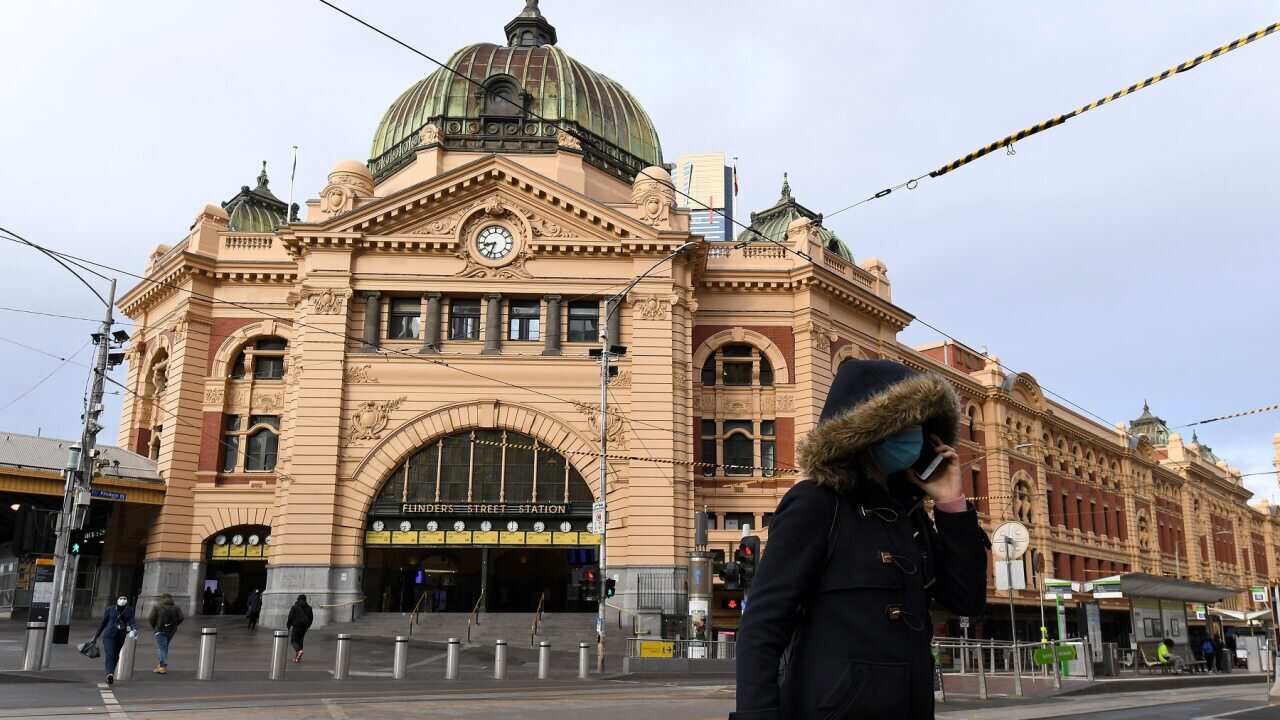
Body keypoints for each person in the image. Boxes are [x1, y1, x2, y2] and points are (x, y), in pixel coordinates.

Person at [733, 360, 988, 719]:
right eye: (903, 424)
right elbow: (763, 624)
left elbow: (966, 599)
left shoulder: (911, 514)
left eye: (919, 426)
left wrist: (950, 503)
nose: (913, 435)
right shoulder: (816, 503)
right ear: (868, 433)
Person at [95, 595, 138, 685]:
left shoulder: (129, 610)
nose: (122, 600)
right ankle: (109, 673)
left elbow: (132, 621)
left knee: (116, 655)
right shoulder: (110, 609)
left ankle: (111, 673)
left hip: (121, 635)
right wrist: (96, 636)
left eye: (125, 598)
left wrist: (134, 629)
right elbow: (103, 623)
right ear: (117, 600)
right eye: (121, 598)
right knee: (110, 654)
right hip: (108, 635)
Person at [147, 593, 184, 674]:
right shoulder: (176, 607)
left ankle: (162, 666)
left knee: (161, 648)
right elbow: (181, 618)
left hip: (160, 629)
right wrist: (175, 625)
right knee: (164, 647)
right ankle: (160, 665)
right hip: (171, 630)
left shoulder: (157, 606)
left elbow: (151, 618)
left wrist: (155, 627)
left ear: (162, 598)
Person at [286, 594, 313, 662]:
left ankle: (299, 651)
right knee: (300, 641)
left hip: (296, 626)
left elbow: (290, 617)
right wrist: (308, 626)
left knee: (293, 641)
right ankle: (297, 658)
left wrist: (288, 626)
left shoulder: (294, 607)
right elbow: (311, 618)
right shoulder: (309, 608)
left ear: (298, 599)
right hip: (304, 627)